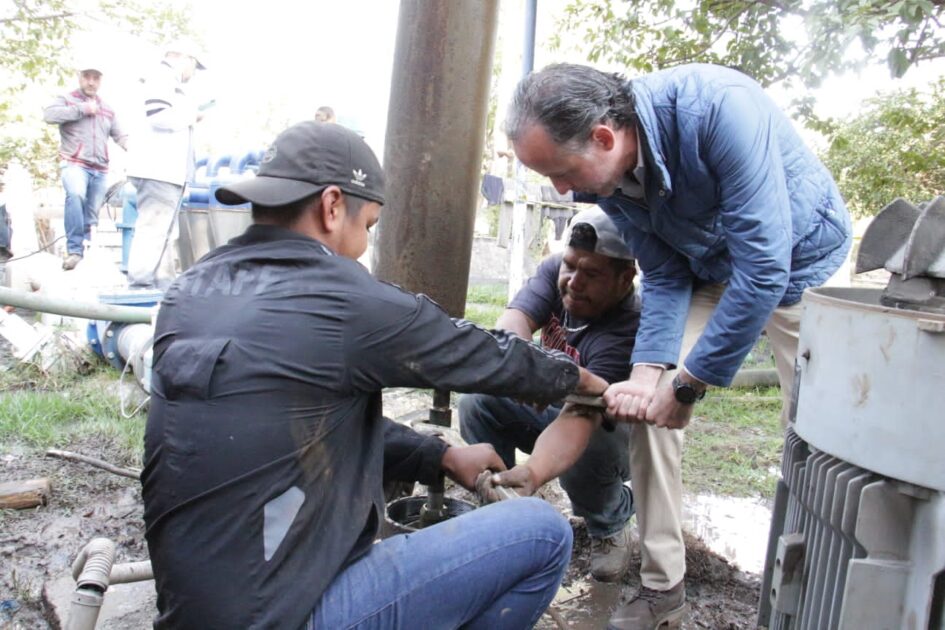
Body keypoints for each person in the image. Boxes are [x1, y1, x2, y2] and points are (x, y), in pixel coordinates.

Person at [140, 120, 609, 629]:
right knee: (542, 532)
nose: (364, 244)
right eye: (368, 226)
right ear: (333, 205)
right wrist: (583, 382)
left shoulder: (187, 293)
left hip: (193, 611)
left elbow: (299, 427)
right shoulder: (338, 296)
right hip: (286, 618)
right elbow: (476, 353)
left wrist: (441, 456)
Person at [505, 63, 852, 629]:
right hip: (705, 268)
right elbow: (664, 274)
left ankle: (814, 593)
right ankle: (663, 585)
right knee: (648, 409)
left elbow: (764, 269)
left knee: (819, 436)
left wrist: (689, 384)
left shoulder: (719, 109)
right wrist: (648, 374)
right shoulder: (610, 175)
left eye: (562, 172)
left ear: (602, 136)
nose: (560, 190)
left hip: (797, 267)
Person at [460, 207, 639, 583]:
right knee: (479, 401)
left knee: (587, 449)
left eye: (591, 274)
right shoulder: (556, 270)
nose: (574, 282)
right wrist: (523, 373)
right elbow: (512, 327)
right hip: (553, 406)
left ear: (625, 279)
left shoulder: (628, 326)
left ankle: (611, 520)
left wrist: (535, 471)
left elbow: (580, 417)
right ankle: (497, 500)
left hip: (610, 432)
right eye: (571, 266)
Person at [125, 41, 207, 289]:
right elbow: (158, 115)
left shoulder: (161, 80)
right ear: (185, 58)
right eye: (194, 66)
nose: (192, 74)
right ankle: (141, 283)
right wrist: (193, 115)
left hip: (163, 170)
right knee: (154, 228)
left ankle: (161, 283)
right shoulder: (162, 78)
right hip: (158, 169)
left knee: (164, 231)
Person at [43, 61, 128, 270]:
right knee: (75, 195)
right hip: (74, 164)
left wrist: (137, 151)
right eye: (87, 76)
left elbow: (120, 136)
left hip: (99, 168)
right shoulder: (67, 100)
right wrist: (81, 109)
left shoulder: (107, 109)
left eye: (95, 78)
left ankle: (89, 251)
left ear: (100, 81)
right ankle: (74, 250)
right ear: (80, 77)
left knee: (92, 213)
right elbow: (49, 115)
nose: (91, 82)